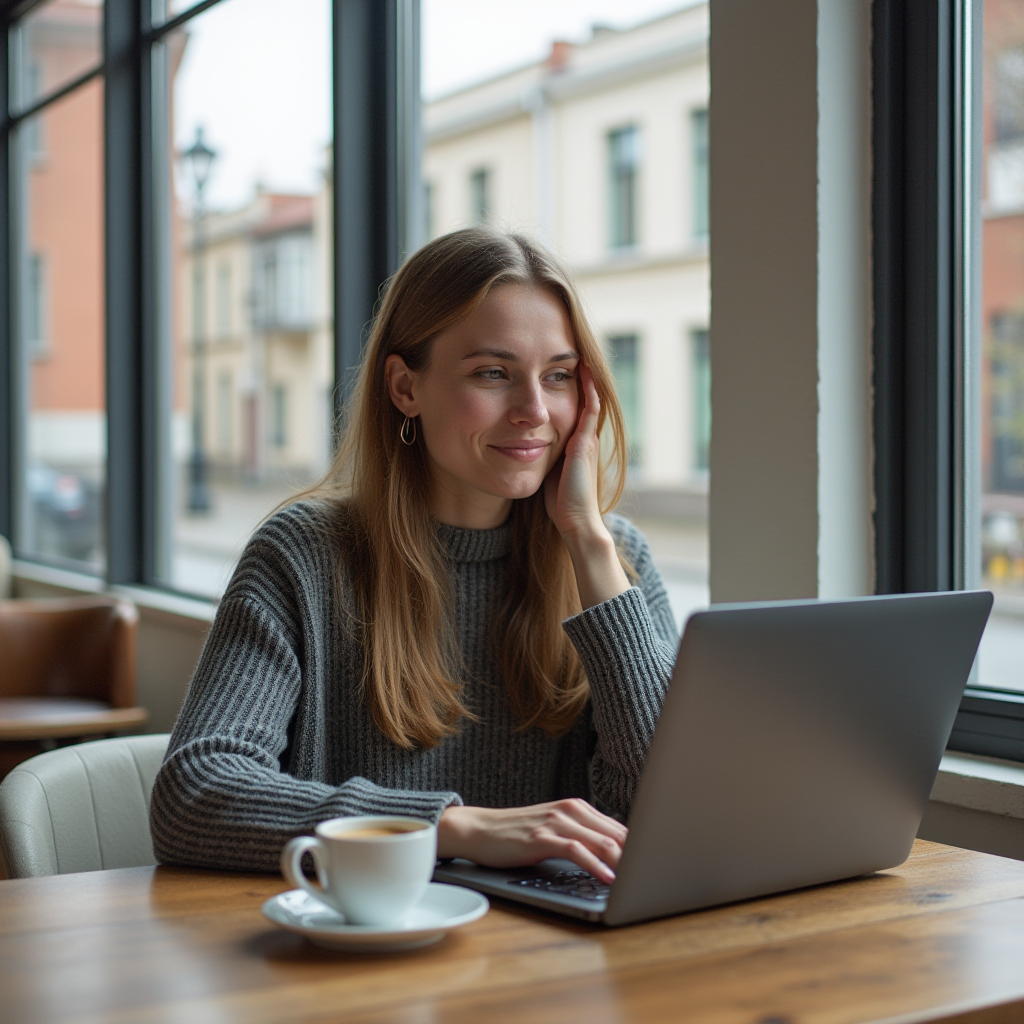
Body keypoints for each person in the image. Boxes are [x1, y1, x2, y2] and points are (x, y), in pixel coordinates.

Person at [150, 228, 678, 884]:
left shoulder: (614, 559)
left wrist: (588, 543)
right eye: (493, 373)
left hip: (554, 957)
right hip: (362, 959)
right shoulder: (304, 556)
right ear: (404, 387)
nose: (535, 411)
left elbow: (672, 812)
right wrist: (450, 828)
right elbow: (194, 795)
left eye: (560, 377)